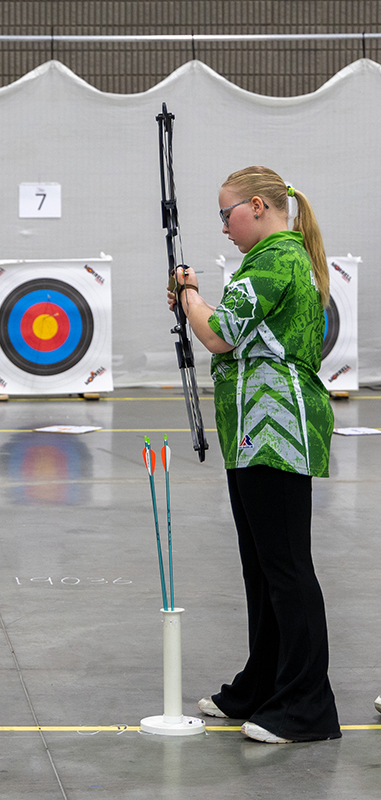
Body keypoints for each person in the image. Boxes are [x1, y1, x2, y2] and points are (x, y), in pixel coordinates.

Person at [169, 166, 339, 743]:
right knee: (264, 567)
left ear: (260, 207)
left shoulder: (273, 259)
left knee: (287, 569)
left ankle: (306, 706)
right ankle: (263, 683)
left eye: (227, 214)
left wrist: (190, 295)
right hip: (254, 430)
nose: (223, 227)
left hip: (277, 430)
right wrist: (197, 301)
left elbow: (219, 333)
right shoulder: (274, 261)